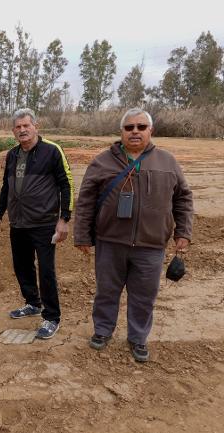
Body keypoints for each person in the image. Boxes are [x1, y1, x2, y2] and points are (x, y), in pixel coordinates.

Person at [73, 108, 193, 362]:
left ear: (151, 130)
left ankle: (138, 338)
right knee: (107, 291)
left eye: (141, 127)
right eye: (129, 128)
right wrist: (82, 235)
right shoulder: (102, 161)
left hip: (151, 245)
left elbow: (183, 198)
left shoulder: (167, 161)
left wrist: (183, 232)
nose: (135, 131)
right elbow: (85, 201)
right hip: (110, 242)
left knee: (144, 296)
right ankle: (103, 331)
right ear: (122, 132)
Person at [0, 108, 74, 339]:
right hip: (18, 222)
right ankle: (32, 303)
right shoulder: (12, 155)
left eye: (26, 126)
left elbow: (66, 184)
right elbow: (6, 187)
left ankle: (52, 317)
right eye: (18, 127)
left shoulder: (52, 151)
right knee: (22, 266)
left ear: (36, 126)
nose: (22, 130)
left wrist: (64, 218)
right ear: (13, 131)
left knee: (46, 271)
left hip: (44, 223)